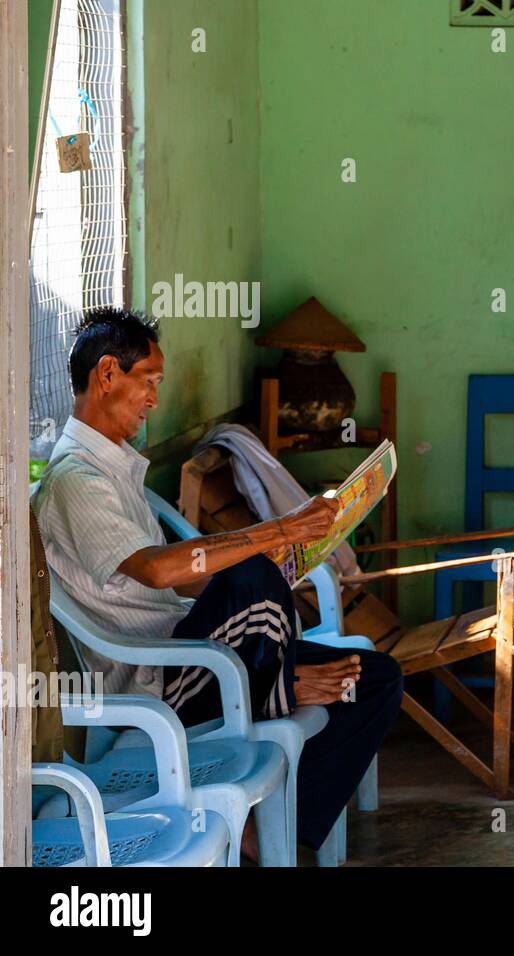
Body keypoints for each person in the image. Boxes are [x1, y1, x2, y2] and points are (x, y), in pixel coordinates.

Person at [33, 307, 403, 861]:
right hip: (159, 678)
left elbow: (168, 587)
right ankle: (281, 688)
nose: (155, 399)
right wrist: (276, 532)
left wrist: (290, 550)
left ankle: (275, 834)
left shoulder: (115, 469)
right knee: (252, 572)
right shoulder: (76, 479)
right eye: (149, 382)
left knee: (375, 679)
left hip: (192, 650)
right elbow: (156, 570)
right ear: (107, 373)